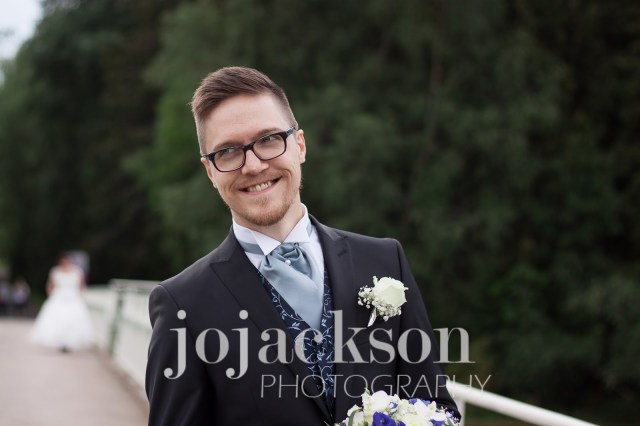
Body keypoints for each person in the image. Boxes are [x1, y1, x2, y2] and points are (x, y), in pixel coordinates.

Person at [145, 67, 459, 425]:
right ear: (210, 171)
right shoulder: (182, 305)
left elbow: (436, 407)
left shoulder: (385, 261)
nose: (253, 165)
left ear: (300, 145)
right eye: (229, 151)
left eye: (268, 139)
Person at [30, 252, 95, 352]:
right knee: (56, 319)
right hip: (58, 297)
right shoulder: (55, 271)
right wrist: (51, 295)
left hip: (73, 298)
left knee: (72, 319)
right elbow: (50, 285)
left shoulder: (77, 271)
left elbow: (81, 286)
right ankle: (60, 341)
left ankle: (69, 342)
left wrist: (80, 296)